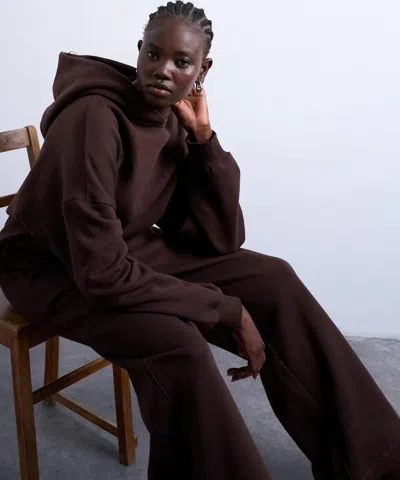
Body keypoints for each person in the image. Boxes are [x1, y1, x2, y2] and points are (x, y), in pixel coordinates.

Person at [0, 2, 399, 479]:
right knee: (177, 343)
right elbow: (101, 273)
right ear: (139, 50)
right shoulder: (92, 119)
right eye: (153, 54)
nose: (163, 70)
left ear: (202, 70)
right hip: (49, 267)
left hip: (120, 247)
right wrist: (225, 310)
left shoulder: (170, 118)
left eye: (182, 61)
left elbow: (220, 240)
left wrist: (204, 141)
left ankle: (374, 462)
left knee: (273, 279)